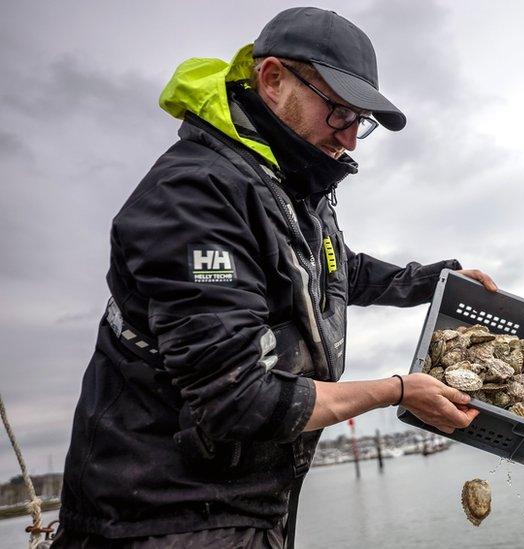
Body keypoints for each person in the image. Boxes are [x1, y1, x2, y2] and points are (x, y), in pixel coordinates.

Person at [53, 7, 496, 548]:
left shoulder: (293, 188)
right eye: (340, 113)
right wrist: (397, 391)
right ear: (273, 78)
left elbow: (338, 271)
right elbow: (239, 399)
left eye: (363, 122)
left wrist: (440, 280)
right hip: (160, 520)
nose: (352, 139)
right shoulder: (195, 197)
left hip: (252, 506)